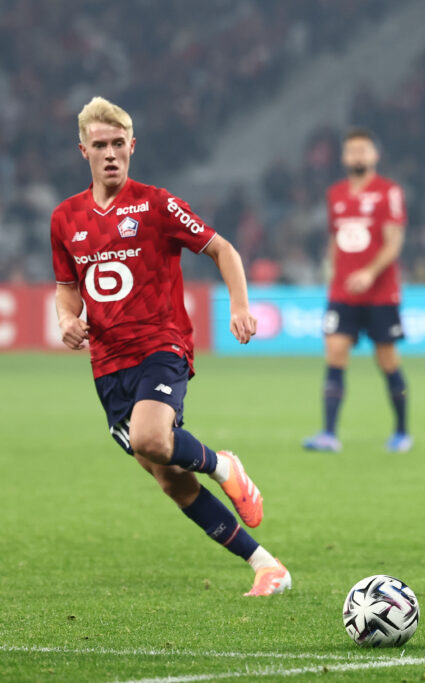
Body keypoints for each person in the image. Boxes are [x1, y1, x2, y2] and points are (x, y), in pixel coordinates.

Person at [50, 97, 291, 597]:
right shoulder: (65, 218)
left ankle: (224, 465)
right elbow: (67, 287)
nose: (111, 154)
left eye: (119, 144)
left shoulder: (156, 204)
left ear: (132, 146)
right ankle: (266, 565)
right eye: (101, 145)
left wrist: (239, 306)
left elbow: (223, 249)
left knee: (151, 438)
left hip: (162, 345)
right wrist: (66, 319)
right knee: (171, 480)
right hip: (107, 364)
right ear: (84, 151)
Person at [303, 128, 412, 454]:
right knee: (334, 353)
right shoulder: (335, 194)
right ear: (344, 157)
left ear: (375, 155)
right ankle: (328, 434)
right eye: (352, 151)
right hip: (343, 293)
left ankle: (402, 432)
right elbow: (335, 240)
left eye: (363, 150)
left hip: (380, 293)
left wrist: (369, 273)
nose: (357, 156)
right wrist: (332, 272)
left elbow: (394, 243)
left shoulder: (388, 192)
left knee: (387, 360)